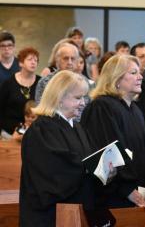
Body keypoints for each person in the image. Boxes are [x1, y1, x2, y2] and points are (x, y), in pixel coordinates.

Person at [19, 70, 94, 227]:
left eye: (84, 97)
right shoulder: (41, 130)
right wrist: (91, 167)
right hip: (49, 217)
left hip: (75, 213)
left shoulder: (77, 127)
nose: (83, 103)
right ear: (59, 98)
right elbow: (55, 173)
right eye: (78, 98)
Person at [81, 55, 145, 209]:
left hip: (137, 193)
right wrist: (126, 189)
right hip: (112, 197)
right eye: (133, 73)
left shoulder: (135, 110)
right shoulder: (102, 107)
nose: (140, 77)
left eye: (140, 72)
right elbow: (104, 156)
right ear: (116, 79)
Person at [0, 47, 40, 139]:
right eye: (30, 59)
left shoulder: (41, 83)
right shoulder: (8, 83)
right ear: (21, 63)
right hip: (9, 134)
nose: (33, 62)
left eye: (36, 60)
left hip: (34, 134)